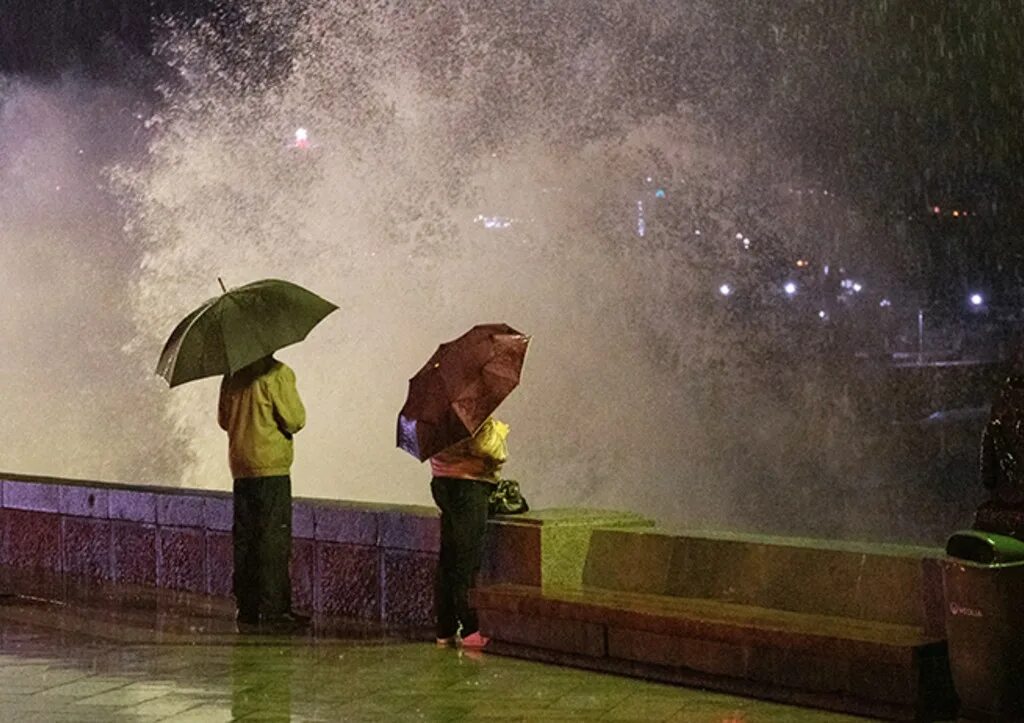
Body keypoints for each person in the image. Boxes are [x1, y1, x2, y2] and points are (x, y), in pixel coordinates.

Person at [218, 354, 308, 630]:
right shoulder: (278, 373)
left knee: (245, 538)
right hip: (271, 468)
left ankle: (246, 608)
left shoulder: (231, 375)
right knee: (273, 538)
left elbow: (223, 420)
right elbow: (295, 420)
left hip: (241, 466)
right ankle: (274, 610)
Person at [429, 416, 509, 649]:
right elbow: (488, 449)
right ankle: (471, 629)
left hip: (441, 481)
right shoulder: (468, 410)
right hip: (469, 485)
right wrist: (498, 431)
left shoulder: (432, 413)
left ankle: (444, 629)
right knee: (467, 558)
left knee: (448, 557)